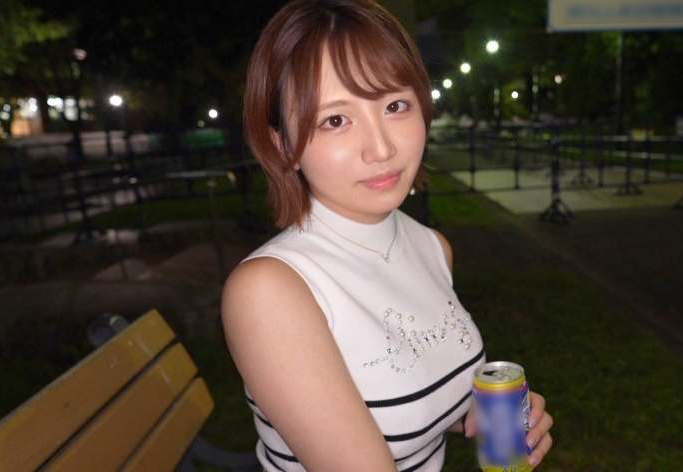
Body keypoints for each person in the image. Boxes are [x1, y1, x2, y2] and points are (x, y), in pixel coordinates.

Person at [221, 0, 553, 470]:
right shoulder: (270, 290)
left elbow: (408, 401)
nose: (381, 148)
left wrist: (477, 414)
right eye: (335, 120)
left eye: (395, 105)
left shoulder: (431, 247)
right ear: (283, 146)